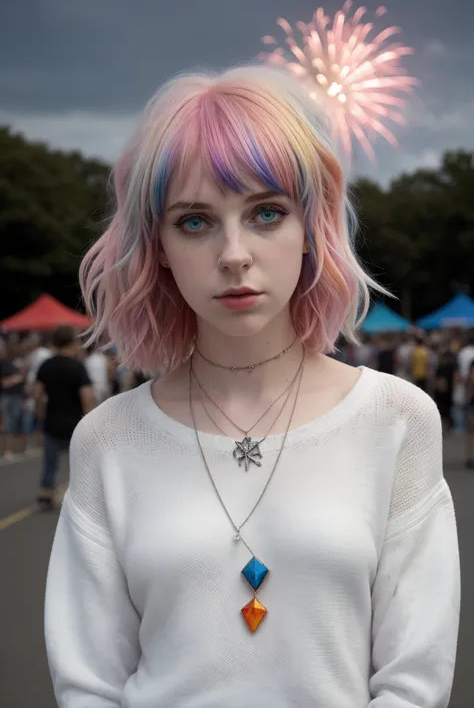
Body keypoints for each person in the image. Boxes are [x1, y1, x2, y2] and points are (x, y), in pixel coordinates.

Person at [44, 66, 460, 707]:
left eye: (267, 213)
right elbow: (88, 683)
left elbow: (415, 678)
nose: (234, 253)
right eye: (194, 222)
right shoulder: (109, 437)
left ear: (310, 227)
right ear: (156, 245)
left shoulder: (397, 418)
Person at [34, 325, 95, 508]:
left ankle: (46, 490)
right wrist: (90, 418)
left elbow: (37, 393)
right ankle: (81, 495)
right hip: (74, 423)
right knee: (78, 461)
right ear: (72, 343)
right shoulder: (77, 367)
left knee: (50, 461)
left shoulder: (46, 365)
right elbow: (87, 396)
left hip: (52, 420)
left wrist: (41, 414)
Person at [0, 340, 27, 459]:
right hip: (8, 397)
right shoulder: (4, 364)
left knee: (18, 422)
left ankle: (21, 449)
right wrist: (18, 378)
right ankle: (7, 450)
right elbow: (4, 383)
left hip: (17, 396)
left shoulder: (18, 363)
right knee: (7, 423)